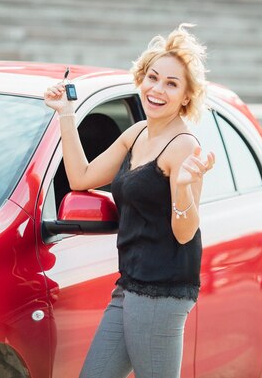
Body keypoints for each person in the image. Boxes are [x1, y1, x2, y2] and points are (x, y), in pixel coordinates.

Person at [44, 23, 215, 378]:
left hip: (162, 293)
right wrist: (65, 112)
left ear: (186, 96)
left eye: (171, 84)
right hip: (130, 285)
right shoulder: (136, 133)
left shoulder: (182, 145)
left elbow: (184, 233)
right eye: (153, 77)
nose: (157, 89)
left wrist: (183, 186)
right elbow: (82, 177)